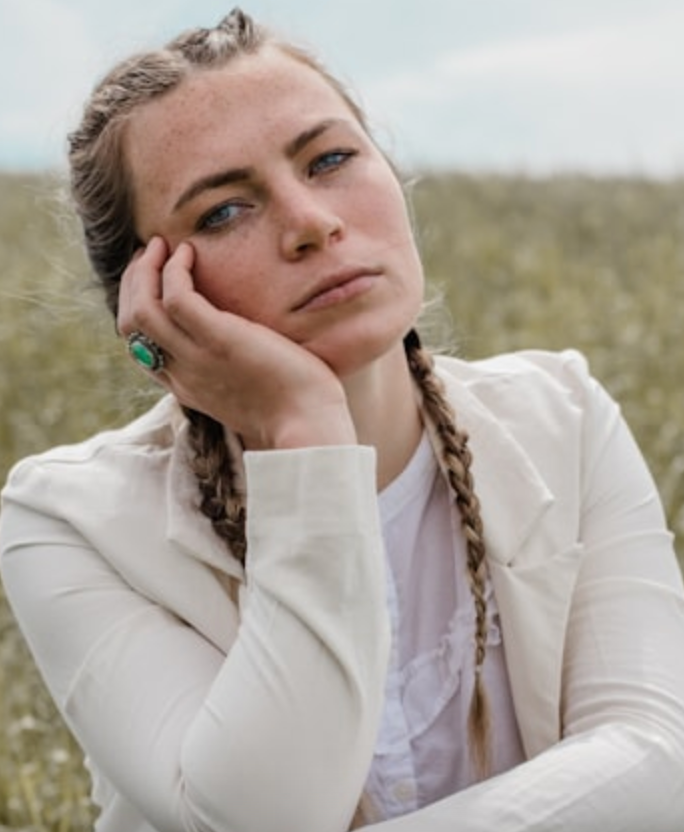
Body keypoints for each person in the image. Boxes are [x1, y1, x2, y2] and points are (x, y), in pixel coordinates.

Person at [1, 8, 683, 831]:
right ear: (151, 301)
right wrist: (306, 429)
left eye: (329, 159)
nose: (311, 222)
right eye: (223, 211)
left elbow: (657, 765)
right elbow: (262, 817)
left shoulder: (561, 417)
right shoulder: (68, 520)